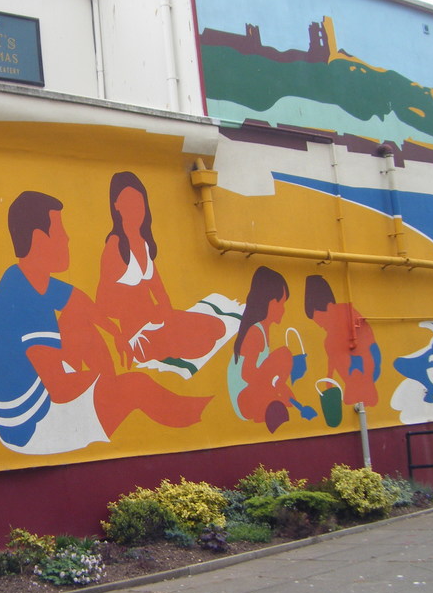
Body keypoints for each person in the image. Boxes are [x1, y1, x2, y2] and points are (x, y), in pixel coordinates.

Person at [0, 191, 212, 455]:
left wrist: (115, 333)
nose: (67, 238)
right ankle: (204, 420)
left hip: (42, 389)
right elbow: (60, 389)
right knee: (137, 386)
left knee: (77, 320)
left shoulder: (23, 276)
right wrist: (104, 382)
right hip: (33, 427)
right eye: (60, 231)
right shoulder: (23, 303)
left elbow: (79, 301)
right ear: (38, 238)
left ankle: (111, 392)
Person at [96, 172, 234, 372]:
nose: (135, 209)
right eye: (128, 201)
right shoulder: (115, 246)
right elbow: (102, 304)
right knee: (200, 346)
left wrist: (169, 317)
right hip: (137, 332)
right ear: (116, 205)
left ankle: (172, 335)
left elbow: (158, 288)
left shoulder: (144, 243)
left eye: (139, 202)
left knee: (217, 328)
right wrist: (139, 304)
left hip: (156, 319)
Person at [227, 266, 298, 431]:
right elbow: (247, 374)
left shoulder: (264, 330)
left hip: (254, 393)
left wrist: (280, 389)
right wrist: (273, 387)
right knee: (284, 355)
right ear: (271, 303)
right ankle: (265, 406)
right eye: (282, 303)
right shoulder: (255, 332)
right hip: (244, 399)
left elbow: (270, 375)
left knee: (281, 359)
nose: (284, 309)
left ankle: (268, 405)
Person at [304, 274, 380, 408]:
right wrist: (329, 378)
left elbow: (370, 350)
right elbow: (333, 358)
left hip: (365, 369)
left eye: (320, 320)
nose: (320, 325)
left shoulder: (348, 316)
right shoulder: (331, 337)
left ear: (329, 306)